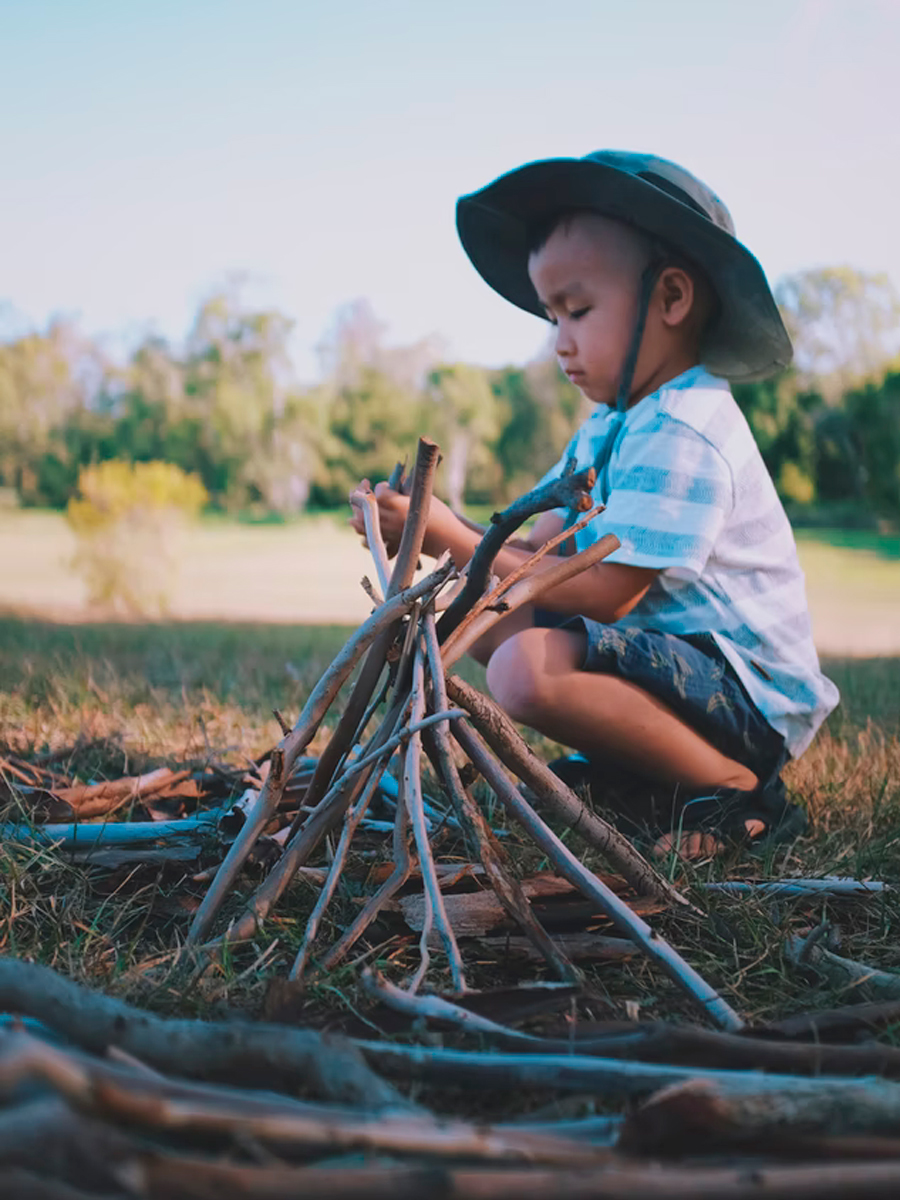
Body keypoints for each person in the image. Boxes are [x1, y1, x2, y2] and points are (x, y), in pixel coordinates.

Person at [349, 150, 839, 859]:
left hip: (745, 695)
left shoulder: (685, 426)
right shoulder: (612, 426)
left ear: (671, 300)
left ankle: (736, 790)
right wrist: (428, 528)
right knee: (481, 616)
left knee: (524, 668)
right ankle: (646, 777)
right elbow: (534, 546)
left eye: (578, 310)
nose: (560, 342)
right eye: (553, 316)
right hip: (680, 668)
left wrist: (450, 532)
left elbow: (609, 591)